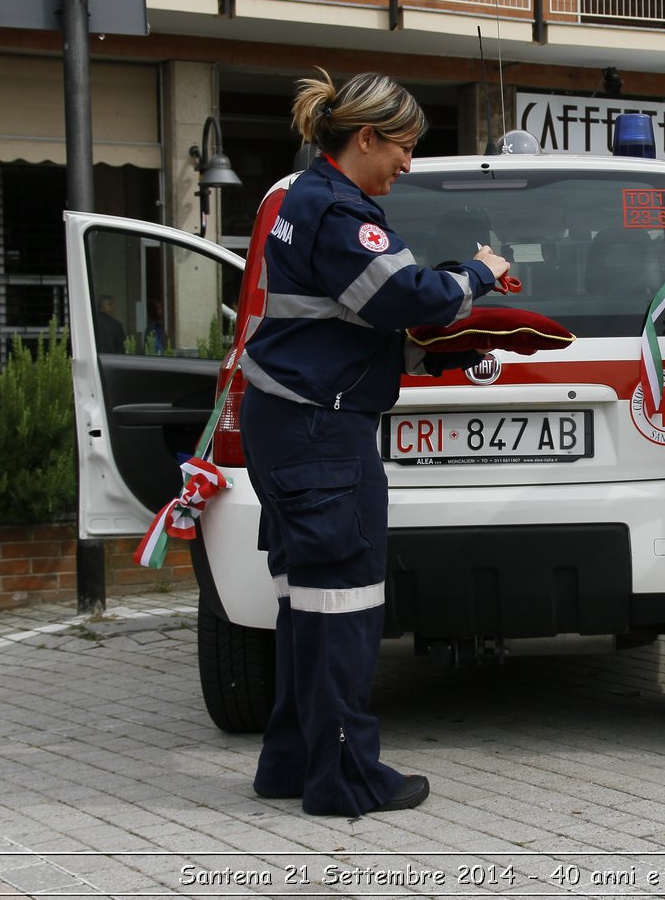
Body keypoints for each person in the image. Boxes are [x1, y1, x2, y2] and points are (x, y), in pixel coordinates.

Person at [238, 69, 511, 815]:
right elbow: (401, 296)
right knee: (344, 602)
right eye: (404, 147)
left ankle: (293, 762)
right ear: (365, 138)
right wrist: (479, 275)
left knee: (307, 602)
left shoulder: (303, 198)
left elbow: (342, 322)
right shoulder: (337, 210)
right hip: (321, 430)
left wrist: (438, 354)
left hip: (292, 420)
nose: (408, 164)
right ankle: (345, 777)